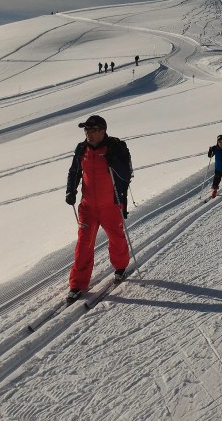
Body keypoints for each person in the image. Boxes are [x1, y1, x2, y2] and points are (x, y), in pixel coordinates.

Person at [64, 115, 133, 303]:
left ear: (102, 131)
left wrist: (113, 161)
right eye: (86, 130)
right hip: (88, 207)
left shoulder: (115, 147)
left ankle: (120, 267)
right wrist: (71, 190)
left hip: (110, 205)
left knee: (116, 238)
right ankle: (77, 284)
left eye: (92, 130)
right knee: (83, 244)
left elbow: (126, 174)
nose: (88, 134)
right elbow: (74, 172)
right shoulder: (82, 149)